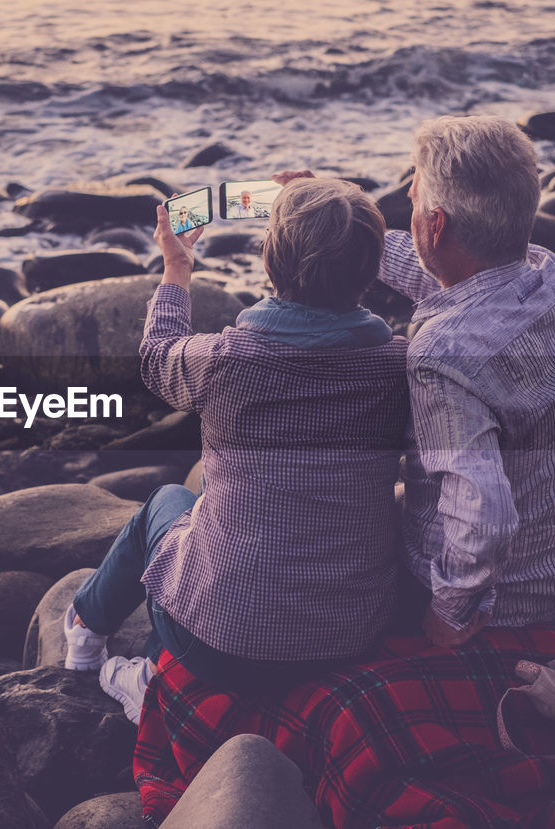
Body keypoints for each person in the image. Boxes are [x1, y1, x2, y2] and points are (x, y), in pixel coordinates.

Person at [64, 178, 410, 722]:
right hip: (348, 640)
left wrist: (177, 267)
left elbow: (156, 355)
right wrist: (340, 210)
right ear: (373, 271)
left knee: (167, 501)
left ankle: (93, 642)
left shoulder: (224, 361)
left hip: (213, 643)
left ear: (268, 267)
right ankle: (140, 663)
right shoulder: (401, 367)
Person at [276, 115, 555, 650]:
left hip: (506, 597)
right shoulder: (548, 276)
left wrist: (451, 611)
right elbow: (433, 271)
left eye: (412, 202)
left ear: (434, 225)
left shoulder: (446, 354)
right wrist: (338, 227)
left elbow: (485, 516)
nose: (408, 213)